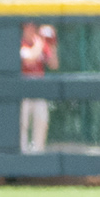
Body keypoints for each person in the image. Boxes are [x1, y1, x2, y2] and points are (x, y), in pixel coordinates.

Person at [19, 23, 58, 155]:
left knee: (41, 120)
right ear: (23, 29)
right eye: (28, 27)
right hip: (22, 89)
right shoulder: (21, 43)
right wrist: (41, 43)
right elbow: (29, 59)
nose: (31, 30)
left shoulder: (40, 44)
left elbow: (54, 64)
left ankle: (37, 154)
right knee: (22, 122)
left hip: (39, 88)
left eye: (33, 27)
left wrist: (52, 44)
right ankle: (21, 155)